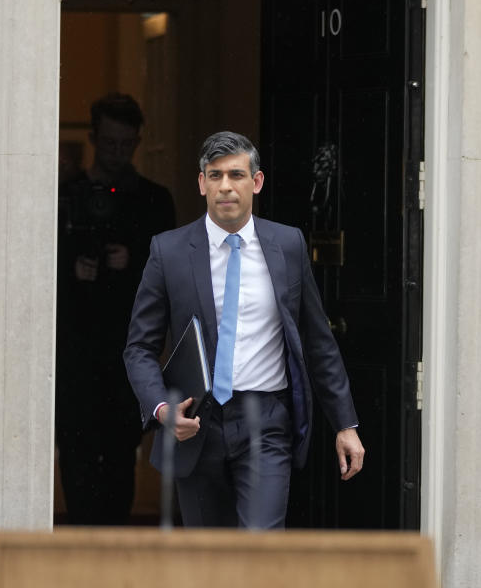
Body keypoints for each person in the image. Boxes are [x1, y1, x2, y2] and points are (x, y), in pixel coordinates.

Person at [123, 131, 364, 528]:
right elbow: (139, 347)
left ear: (256, 182)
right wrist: (164, 410)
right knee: (208, 558)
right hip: (196, 423)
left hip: (265, 420)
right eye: (214, 176)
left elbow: (318, 341)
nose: (225, 186)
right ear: (201, 184)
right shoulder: (168, 251)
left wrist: (345, 424)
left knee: (260, 550)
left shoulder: (287, 245)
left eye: (236, 175)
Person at [56, 93, 175, 524]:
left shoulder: (153, 202)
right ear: (93, 139)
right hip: (75, 357)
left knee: (121, 466)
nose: (117, 153)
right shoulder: (66, 198)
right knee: (77, 460)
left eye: (126, 145)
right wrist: (73, 269)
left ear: (137, 143)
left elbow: (170, 279)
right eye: (109, 144)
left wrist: (133, 263)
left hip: (128, 356)